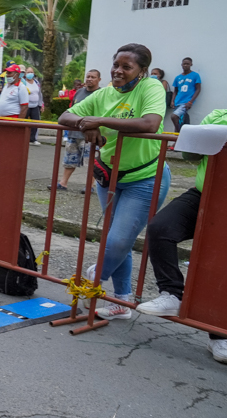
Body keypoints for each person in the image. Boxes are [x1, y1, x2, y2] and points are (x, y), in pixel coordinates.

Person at [58, 43, 171, 319]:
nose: (118, 71)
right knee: (117, 240)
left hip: (145, 177)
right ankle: (121, 301)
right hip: (108, 176)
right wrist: (88, 122)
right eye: (116, 65)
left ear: (142, 71)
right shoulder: (105, 93)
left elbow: (150, 124)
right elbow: (64, 116)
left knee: (119, 240)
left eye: (126, 67)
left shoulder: (151, 87)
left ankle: (94, 278)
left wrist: (97, 120)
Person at [135, 91, 227, 364]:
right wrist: (193, 141)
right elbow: (192, 156)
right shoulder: (220, 118)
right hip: (207, 193)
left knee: (221, 266)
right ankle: (171, 293)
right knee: (160, 229)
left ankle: (221, 334)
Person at [53, 69, 101, 191]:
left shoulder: (101, 94)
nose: (89, 79)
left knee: (91, 161)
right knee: (69, 159)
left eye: (93, 77)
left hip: (89, 134)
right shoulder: (79, 92)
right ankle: (63, 183)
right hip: (74, 132)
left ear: (99, 80)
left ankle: (89, 186)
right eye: (88, 76)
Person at [170, 57, 201, 131]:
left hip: (186, 102)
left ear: (191, 64)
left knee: (174, 117)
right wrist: (172, 101)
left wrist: (190, 102)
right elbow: (175, 91)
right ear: (181, 64)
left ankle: (178, 131)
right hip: (177, 102)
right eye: (184, 64)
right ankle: (178, 137)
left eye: (187, 64)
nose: (185, 65)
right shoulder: (178, 77)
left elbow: (198, 89)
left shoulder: (195, 75)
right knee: (180, 121)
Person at [25, 66, 43, 144]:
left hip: (35, 105)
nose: (30, 74)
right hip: (26, 106)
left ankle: (33, 139)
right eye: (28, 72)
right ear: (25, 73)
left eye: (31, 72)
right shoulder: (23, 82)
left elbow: (39, 94)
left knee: (36, 122)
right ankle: (24, 138)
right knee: (24, 122)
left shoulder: (36, 82)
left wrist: (41, 104)